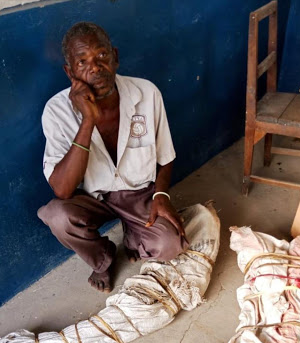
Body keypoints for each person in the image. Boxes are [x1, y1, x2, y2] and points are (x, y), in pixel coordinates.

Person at [38, 22, 188, 293]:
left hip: (138, 193)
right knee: (58, 217)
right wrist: (88, 121)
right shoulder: (56, 111)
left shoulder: (147, 93)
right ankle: (102, 258)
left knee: (170, 246)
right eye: (82, 62)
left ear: (115, 57)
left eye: (101, 56)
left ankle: (133, 234)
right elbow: (62, 189)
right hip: (92, 198)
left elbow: (166, 157)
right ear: (69, 72)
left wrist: (161, 197)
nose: (94, 67)